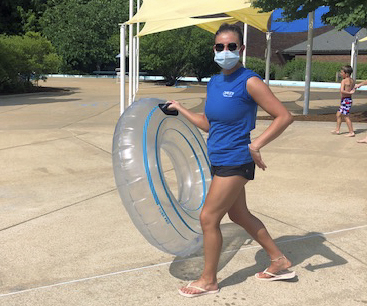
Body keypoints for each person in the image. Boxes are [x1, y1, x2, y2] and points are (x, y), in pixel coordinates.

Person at [167, 23, 295, 298]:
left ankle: (208, 280)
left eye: (231, 46)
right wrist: (180, 109)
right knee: (238, 214)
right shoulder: (214, 83)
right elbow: (210, 124)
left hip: (236, 160)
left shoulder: (249, 81)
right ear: (214, 49)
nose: (225, 51)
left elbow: (284, 116)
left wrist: (256, 144)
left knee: (209, 217)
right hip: (219, 157)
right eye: (220, 47)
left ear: (241, 49)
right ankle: (279, 261)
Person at [331, 65, 355, 137]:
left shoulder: (344, 81)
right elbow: (352, 89)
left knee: (346, 116)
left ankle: (351, 132)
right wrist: (350, 92)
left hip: (346, 101)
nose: (341, 74)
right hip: (347, 100)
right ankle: (337, 130)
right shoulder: (352, 81)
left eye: (342, 72)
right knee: (338, 114)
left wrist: (349, 93)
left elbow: (342, 91)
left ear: (346, 74)